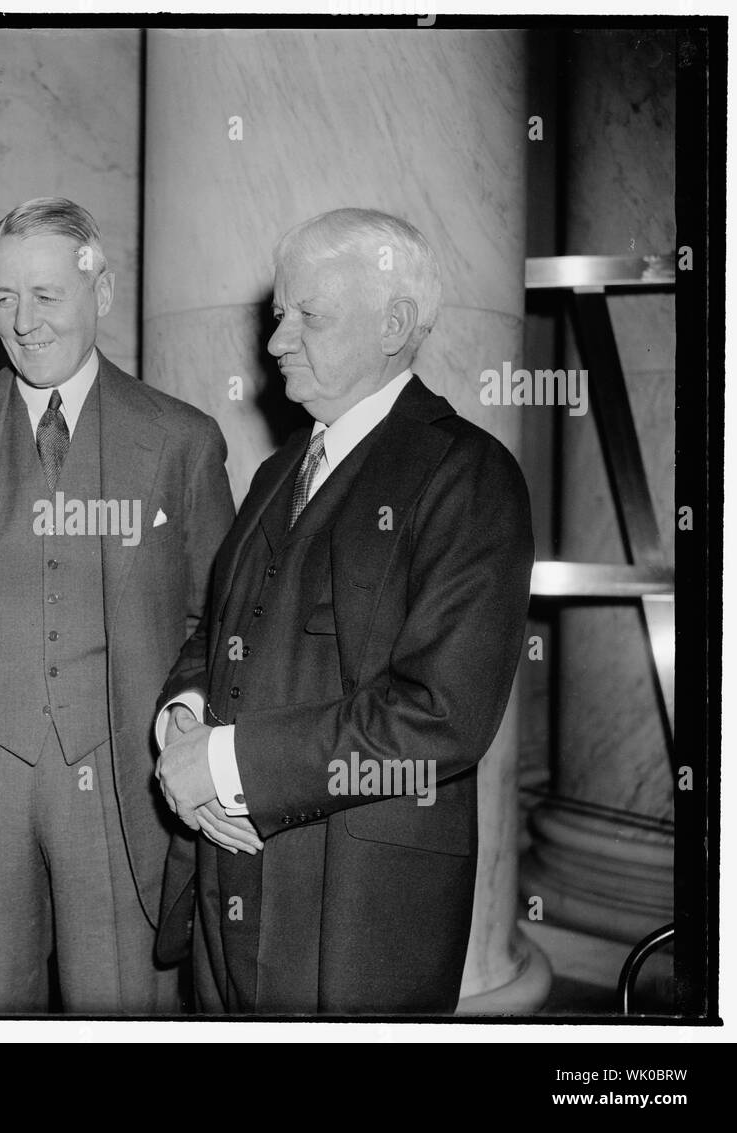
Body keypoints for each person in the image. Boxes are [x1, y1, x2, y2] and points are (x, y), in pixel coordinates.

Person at [154, 208, 533, 1014]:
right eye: (281, 314)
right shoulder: (279, 469)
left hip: (357, 913)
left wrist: (225, 765)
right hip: (229, 890)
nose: (277, 341)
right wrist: (184, 720)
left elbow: (442, 717)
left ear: (395, 325)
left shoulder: (470, 475)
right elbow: (219, 634)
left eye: (308, 316)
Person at [0, 197, 234, 1013]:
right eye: (5, 298)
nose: (23, 321)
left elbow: (217, 625)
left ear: (100, 292)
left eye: (46, 296)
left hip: (123, 789)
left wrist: (190, 737)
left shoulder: (182, 440)